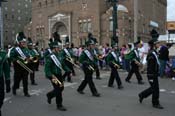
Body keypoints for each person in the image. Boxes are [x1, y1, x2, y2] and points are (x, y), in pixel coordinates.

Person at [45, 39, 71, 111]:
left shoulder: (59, 55)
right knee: (58, 89)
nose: (59, 48)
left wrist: (68, 70)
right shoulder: (50, 57)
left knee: (61, 88)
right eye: (57, 47)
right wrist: (50, 75)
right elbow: (47, 68)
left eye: (58, 47)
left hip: (59, 75)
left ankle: (49, 95)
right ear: (53, 48)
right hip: (53, 75)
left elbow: (63, 65)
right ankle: (59, 105)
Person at [138, 39, 164, 109]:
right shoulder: (151, 53)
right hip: (151, 74)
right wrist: (149, 73)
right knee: (155, 89)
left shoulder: (154, 52)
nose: (159, 45)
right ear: (154, 45)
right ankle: (155, 103)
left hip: (154, 73)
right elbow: (150, 65)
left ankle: (142, 95)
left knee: (154, 88)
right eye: (158, 43)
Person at [10, 32, 31, 97]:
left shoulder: (26, 49)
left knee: (25, 81)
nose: (24, 43)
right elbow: (11, 57)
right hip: (18, 67)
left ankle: (26, 92)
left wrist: (29, 59)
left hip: (25, 67)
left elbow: (29, 56)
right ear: (19, 43)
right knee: (17, 81)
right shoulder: (15, 49)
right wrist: (16, 60)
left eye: (24, 42)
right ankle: (14, 88)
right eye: (23, 42)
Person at [0, 49, 11, 116]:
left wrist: (8, 82)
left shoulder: (2, 54)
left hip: (0, 79)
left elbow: (6, 69)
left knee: (1, 98)